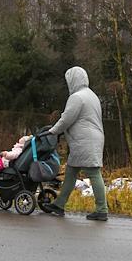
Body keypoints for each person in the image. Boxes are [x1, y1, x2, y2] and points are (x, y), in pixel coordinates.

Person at [43, 66, 108, 221]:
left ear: (72, 80)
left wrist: (53, 131)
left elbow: (66, 119)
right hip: (91, 138)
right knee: (71, 172)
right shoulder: (92, 95)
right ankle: (59, 204)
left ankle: (102, 209)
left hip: (85, 141)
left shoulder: (77, 97)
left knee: (93, 172)